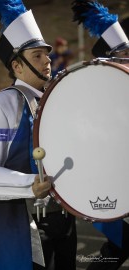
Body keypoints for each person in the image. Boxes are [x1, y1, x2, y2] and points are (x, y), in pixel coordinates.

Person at [0, 0, 77, 269]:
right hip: (20, 221)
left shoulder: (57, 102)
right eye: (37, 56)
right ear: (17, 66)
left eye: (47, 54)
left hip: (63, 219)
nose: (47, 60)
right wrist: (29, 183)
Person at [71, 1, 129, 269]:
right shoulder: (93, 101)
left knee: (114, 252)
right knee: (116, 249)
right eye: (126, 55)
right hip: (113, 192)